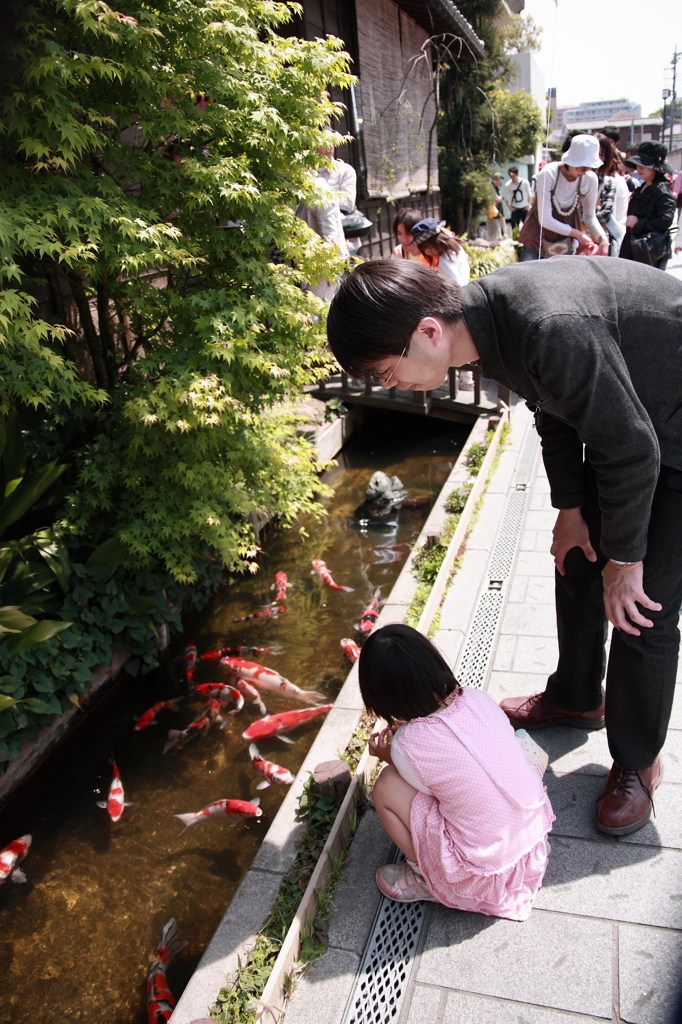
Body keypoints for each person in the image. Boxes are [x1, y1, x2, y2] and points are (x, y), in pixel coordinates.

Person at [326, 256, 682, 837]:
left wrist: (627, 558)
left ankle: (639, 761)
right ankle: (577, 695)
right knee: (577, 558)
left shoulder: (545, 325)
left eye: (388, 373)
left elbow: (633, 450)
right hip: (631, 424)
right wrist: (571, 510)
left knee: (644, 605)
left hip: (668, 428)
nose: (392, 387)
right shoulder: (489, 325)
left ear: (428, 332)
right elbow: (557, 415)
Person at [361, 624, 554, 919]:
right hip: (530, 838)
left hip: (483, 870)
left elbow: (423, 788)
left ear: (383, 697)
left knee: (387, 786)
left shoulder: (408, 744)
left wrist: (390, 756)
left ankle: (428, 879)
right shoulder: (476, 697)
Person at [518, 134, 609, 261]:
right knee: (527, 278)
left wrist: (602, 238)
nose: (584, 171)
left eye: (588, 168)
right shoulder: (548, 173)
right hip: (538, 237)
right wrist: (577, 234)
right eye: (580, 166)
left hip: (566, 241)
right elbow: (545, 219)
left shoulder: (590, 179)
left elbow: (589, 216)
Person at [409, 218, 473, 390]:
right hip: (466, 302)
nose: (427, 252)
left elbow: (456, 284)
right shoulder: (456, 250)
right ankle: (466, 380)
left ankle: (456, 380)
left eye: (426, 247)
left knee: (449, 343)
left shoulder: (445, 260)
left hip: (458, 304)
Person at [619, 141, 675, 271]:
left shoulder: (662, 191)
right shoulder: (644, 186)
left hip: (648, 252)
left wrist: (638, 224)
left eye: (644, 165)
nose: (639, 168)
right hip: (635, 248)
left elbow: (665, 220)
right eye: (638, 164)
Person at [486, 173, 506, 242]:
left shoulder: (497, 188)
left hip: (499, 210)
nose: (498, 182)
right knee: (496, 229)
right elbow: (496, 199)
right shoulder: (491, 188)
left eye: (499, 180)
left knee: (501, 227)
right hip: (493, 211)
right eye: (497, 180)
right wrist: (502, 197)